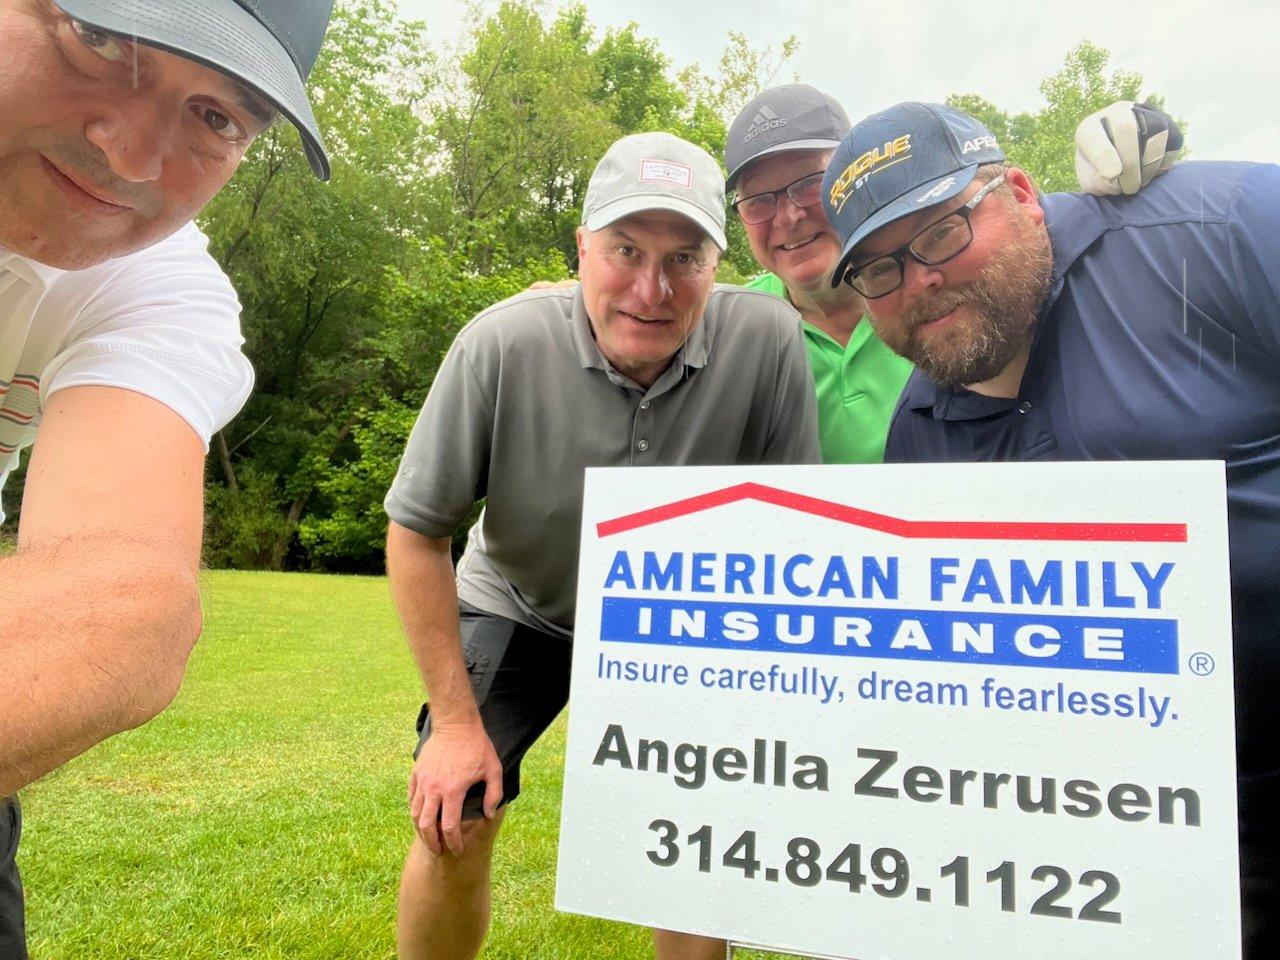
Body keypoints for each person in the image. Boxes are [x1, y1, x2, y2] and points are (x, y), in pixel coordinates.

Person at [821, 100, 1279, 958]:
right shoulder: (917, 438)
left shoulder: (1219, 229)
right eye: (878, 270)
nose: (918, 280)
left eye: (943, 231)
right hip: (1130, 848)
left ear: (1023, 194)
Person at [385, 131, 820, 960]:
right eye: (626, 249)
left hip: (683, 627)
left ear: (718, 265)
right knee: (458, 816)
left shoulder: (768, 342)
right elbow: (416, 529)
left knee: (702, 835)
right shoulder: (500, 342)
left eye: (685, 258)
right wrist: (452, 724)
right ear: (581, 247)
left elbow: (786, 527)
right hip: (521, 602)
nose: (651, 289)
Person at [0, 1, 334, 956]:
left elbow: (117, 604)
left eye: (218, 117)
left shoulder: (155, 284)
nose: (133, 156)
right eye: (98, 37)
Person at [724, 83, 1179, 464]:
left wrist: (1127, 182)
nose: (787, 217)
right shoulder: (732, 328)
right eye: (757, 201)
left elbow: (1012, 228)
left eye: (808, 185)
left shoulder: (951, 290)